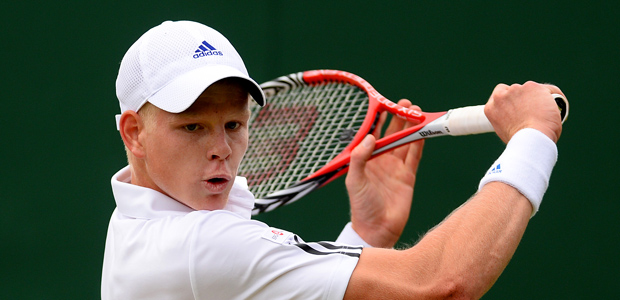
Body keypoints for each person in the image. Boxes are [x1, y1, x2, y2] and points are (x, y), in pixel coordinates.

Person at [102, 20, 565, 300]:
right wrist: (532, 140)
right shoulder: (198, 246)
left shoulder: (137, 228)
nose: (221, 148)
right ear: (134, 133)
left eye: (233, 125)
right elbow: (442, 285)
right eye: (193, 127)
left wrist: (365, 235)